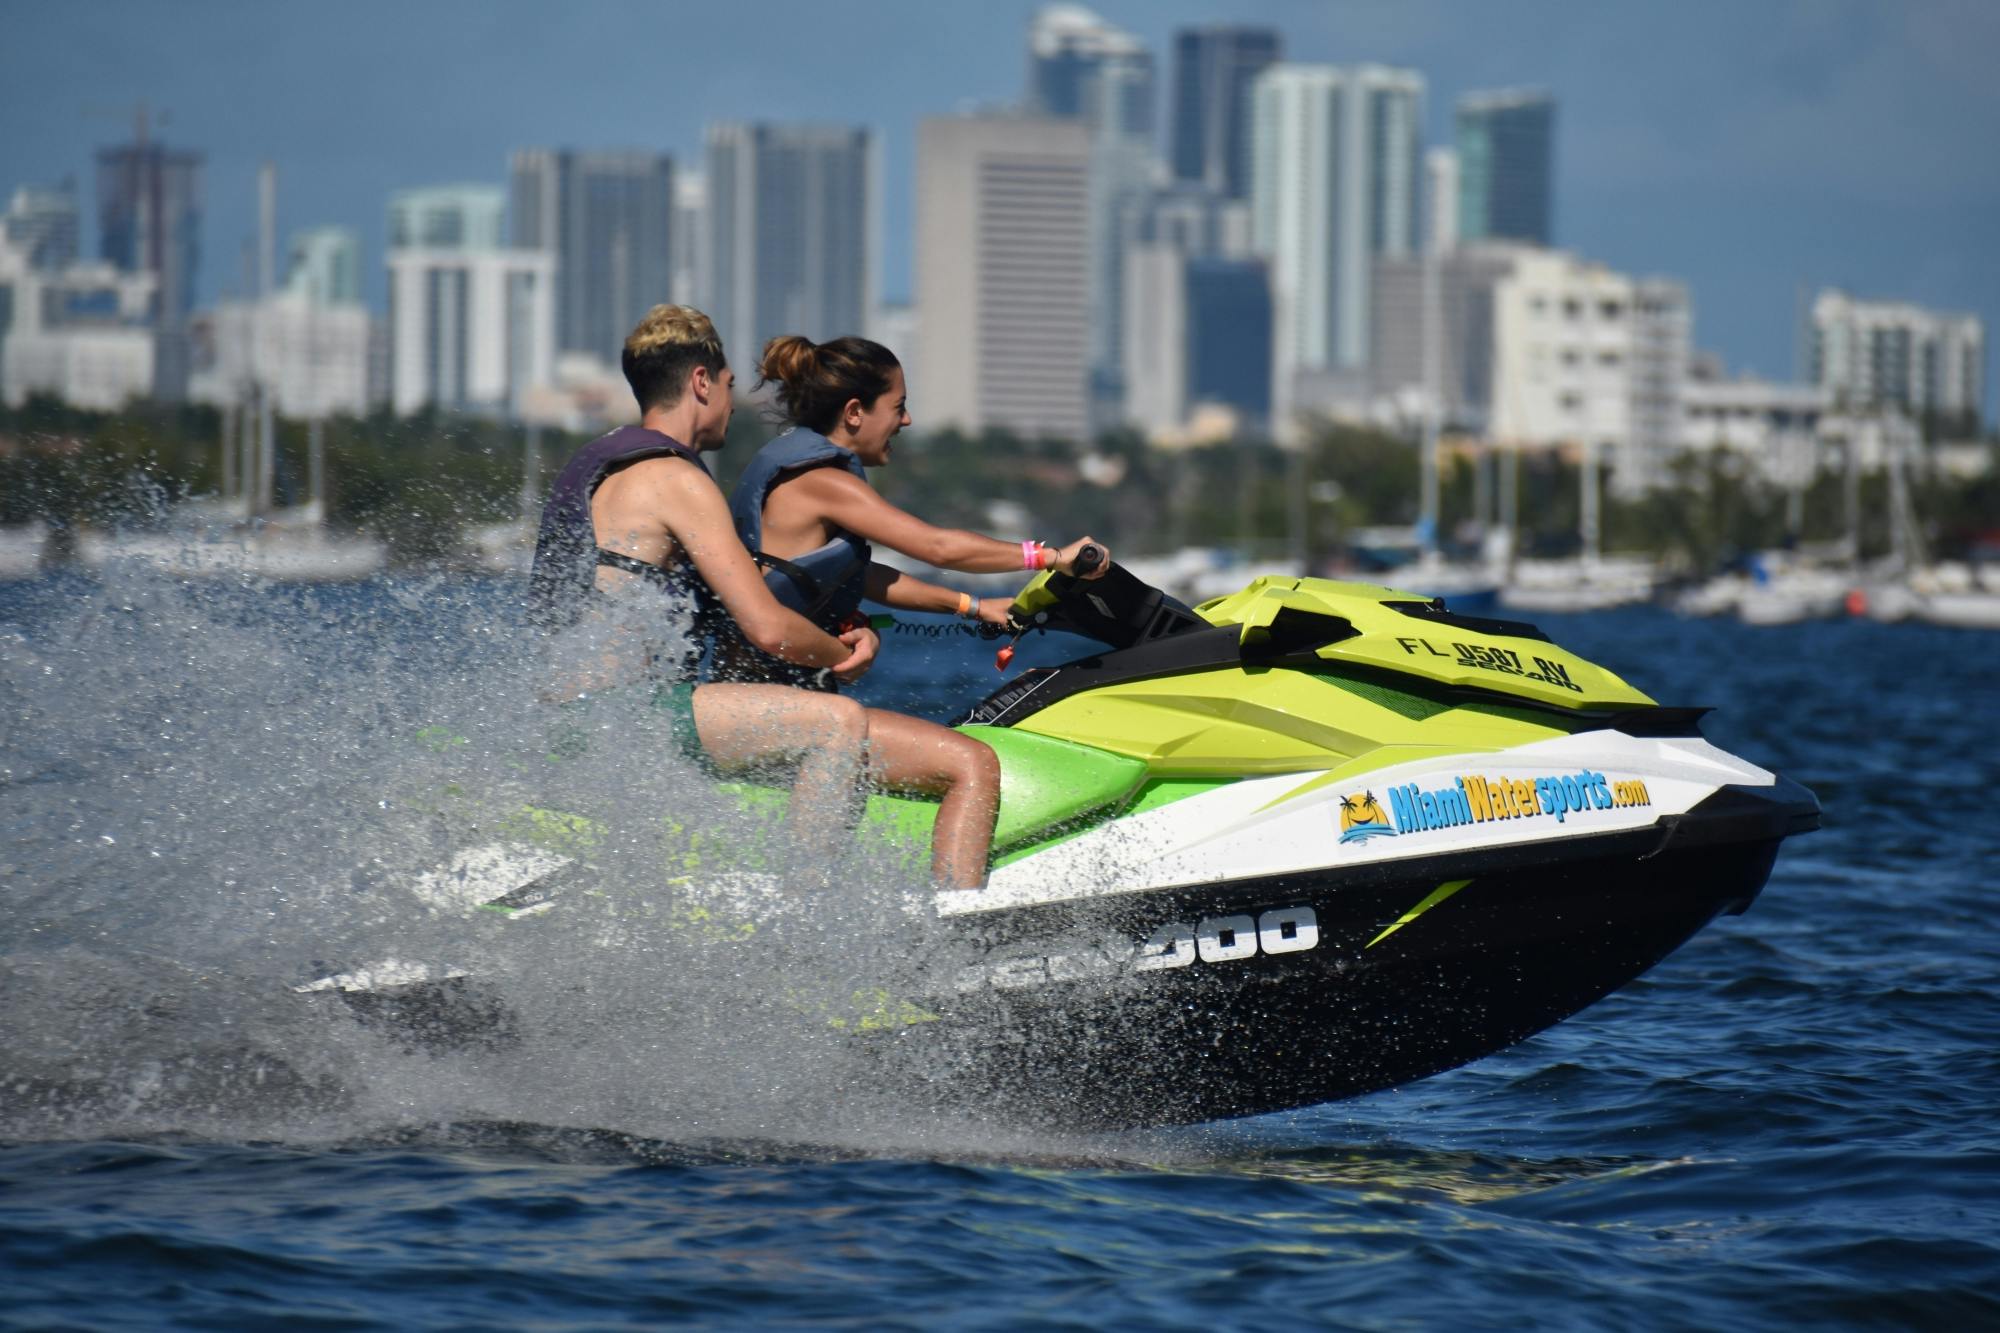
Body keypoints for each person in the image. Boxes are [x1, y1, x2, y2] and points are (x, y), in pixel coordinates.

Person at [526, 305, 986, 888]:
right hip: (621, 716)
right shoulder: (679, 480)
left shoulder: (606, 464)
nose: (730, 401)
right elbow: (767, 626)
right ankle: (802, 920)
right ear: (700, 382)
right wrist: (840, 655)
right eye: (727, 385)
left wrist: (849, 625)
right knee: (835, 723)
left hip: (573, 712)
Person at [722, 334, 1111, 889]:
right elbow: (938, 549)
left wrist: (971, 605)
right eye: (898, 406)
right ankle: (958, 938)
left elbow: (863, 575)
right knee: (972, 765)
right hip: (765, 708)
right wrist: (1051, 557)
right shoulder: (822, 482)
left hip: (767, 697)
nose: (906, 421)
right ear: (855, 413)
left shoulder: (802, 472)